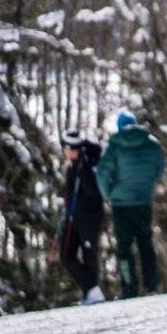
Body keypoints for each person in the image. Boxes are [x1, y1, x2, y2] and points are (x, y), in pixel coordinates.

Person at [96, 111, 165, 298]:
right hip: (143, 202)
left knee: (124, 249)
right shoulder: (153, 144)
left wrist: (108, 194)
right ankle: (152, 286)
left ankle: (129, 288)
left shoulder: (115, 146)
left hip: (121, 205)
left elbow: (102, 173)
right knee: (146, 244)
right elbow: (159, 172)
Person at [54, 130, 106, 304]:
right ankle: (91, 289)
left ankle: (92, 292)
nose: (64, 151)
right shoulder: (71, 166)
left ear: (72, 147)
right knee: (66, 256)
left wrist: (85, 175)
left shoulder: (88, 164)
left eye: (65, 148)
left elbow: (95, 193)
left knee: (89, 254)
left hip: (89, 218)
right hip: (72, 219)